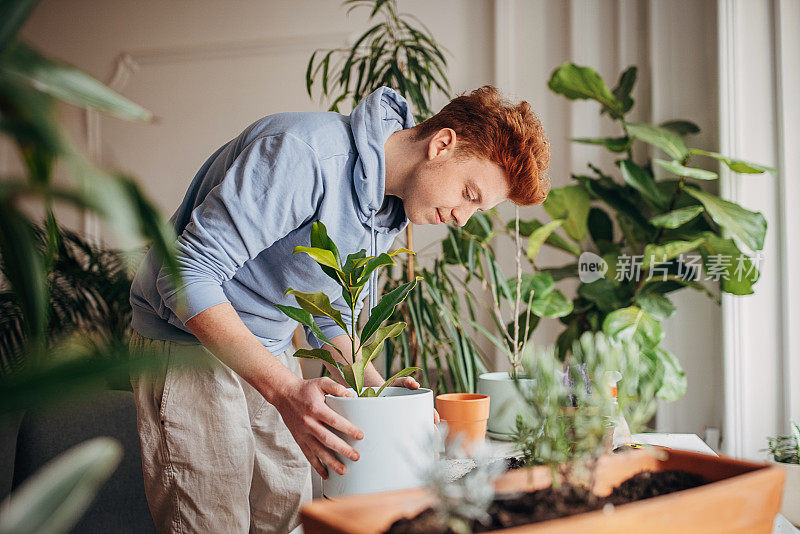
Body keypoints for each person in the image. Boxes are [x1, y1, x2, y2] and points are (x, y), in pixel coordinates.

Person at [129, 85, 550, 533]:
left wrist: (378, 392)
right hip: (189, 347)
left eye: (477, 209)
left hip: (268, 348)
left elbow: (329, 312)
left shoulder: (389, 207)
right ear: (442, 144)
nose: (463, 218)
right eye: (469, 193)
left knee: (289, 514)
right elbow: (186, 274)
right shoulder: (304, 154)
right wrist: (286, 392)